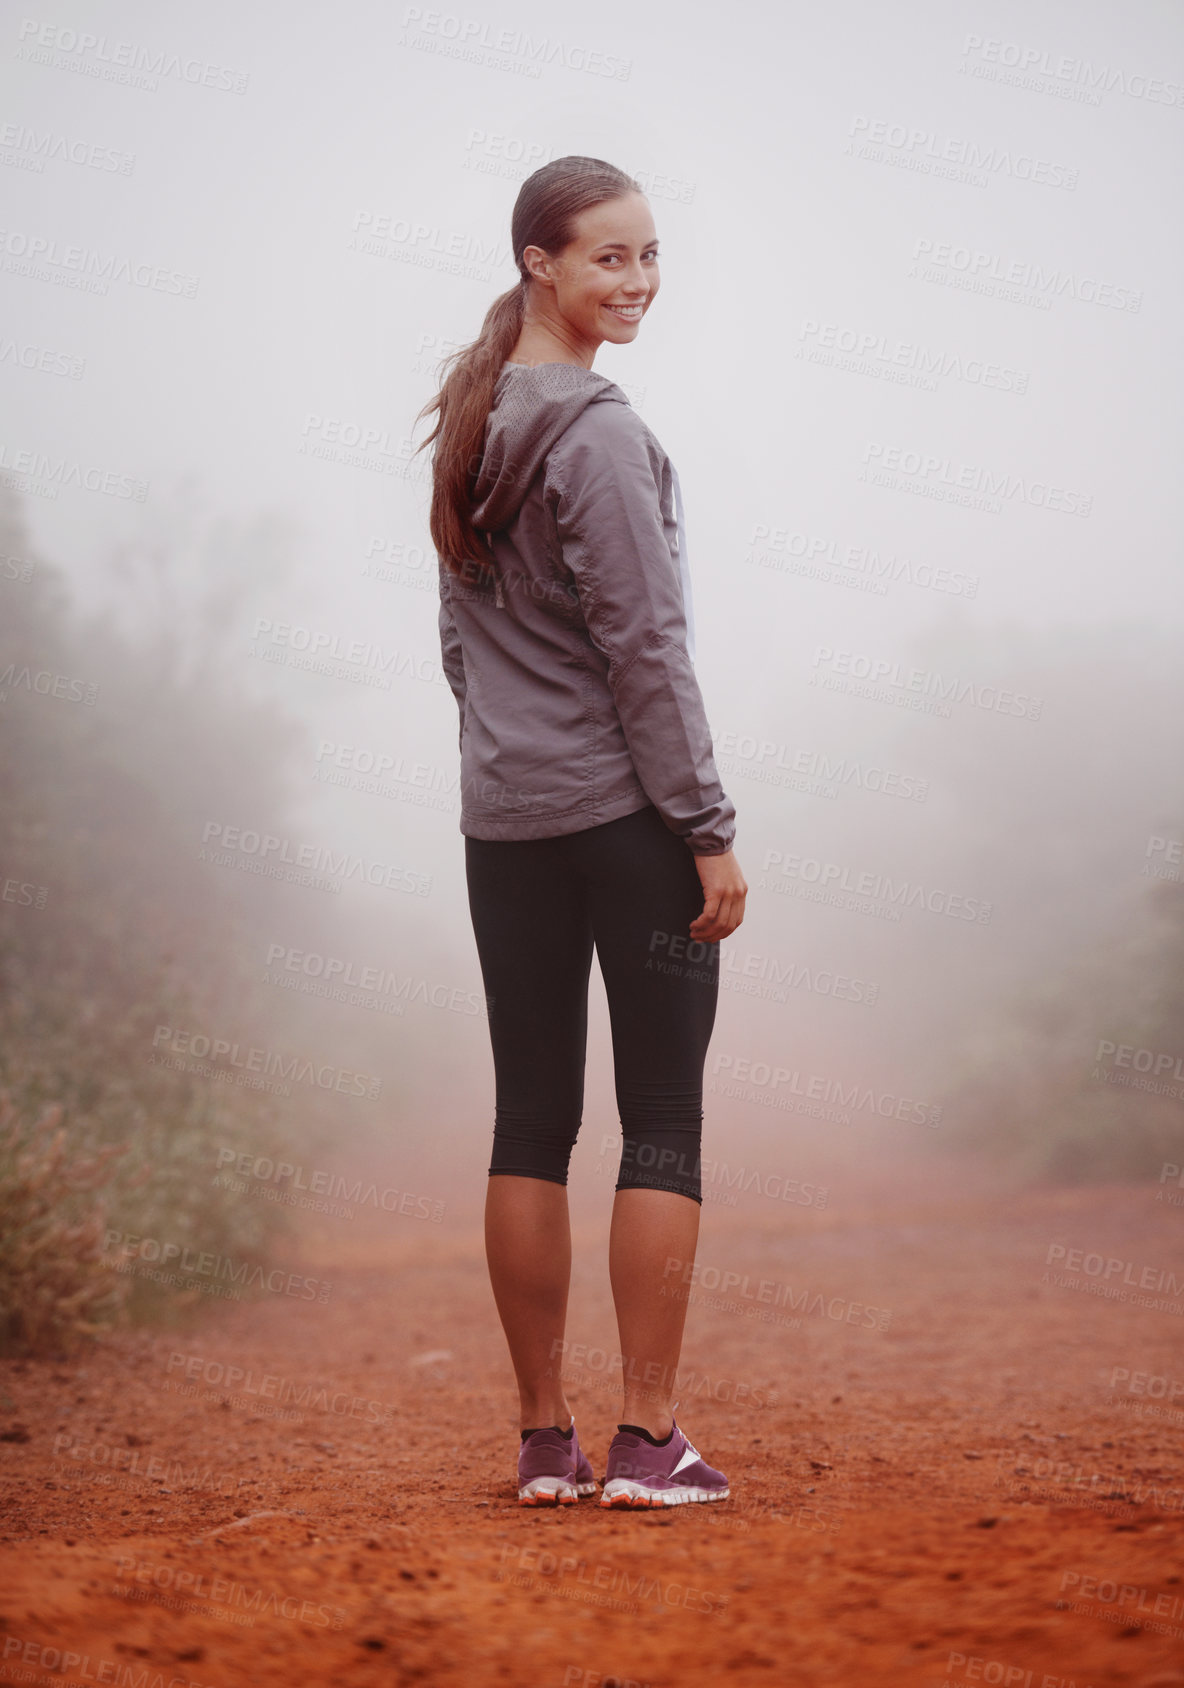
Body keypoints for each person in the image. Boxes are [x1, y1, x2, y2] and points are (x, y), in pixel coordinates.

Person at [415, 155, 747, 1509]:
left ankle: (543, 1439)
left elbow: (459, 647)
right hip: (625, 819)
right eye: (609, 257)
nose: (639, 282)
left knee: (530, 1122)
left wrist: (508, 758)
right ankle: (647, 1442)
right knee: (660, 1119)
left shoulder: (472, 421)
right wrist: (707, 829)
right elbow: (648, 654)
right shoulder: (601, 435)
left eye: (652, 255)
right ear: (538, 263)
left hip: (505, 826)